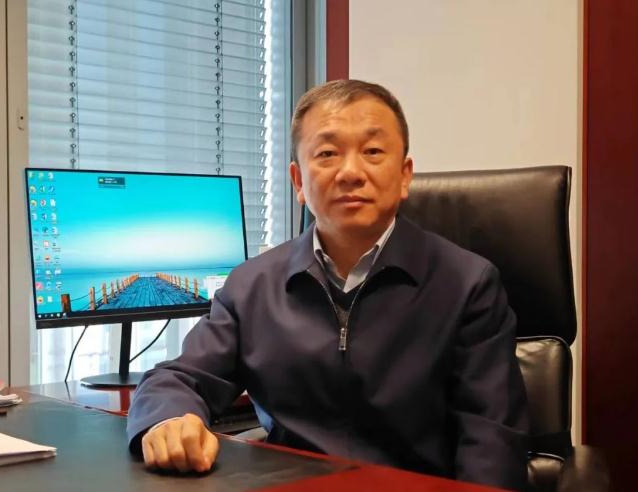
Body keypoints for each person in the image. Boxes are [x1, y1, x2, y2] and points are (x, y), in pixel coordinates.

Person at [127, 79, 529, 490]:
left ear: (404, 175)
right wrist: (168, 420)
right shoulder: (252, 286)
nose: (351, 172)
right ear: (298, 182)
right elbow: (179, 377)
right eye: (327, 154)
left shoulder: (467, 284)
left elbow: (493, 445)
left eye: (373, 152)